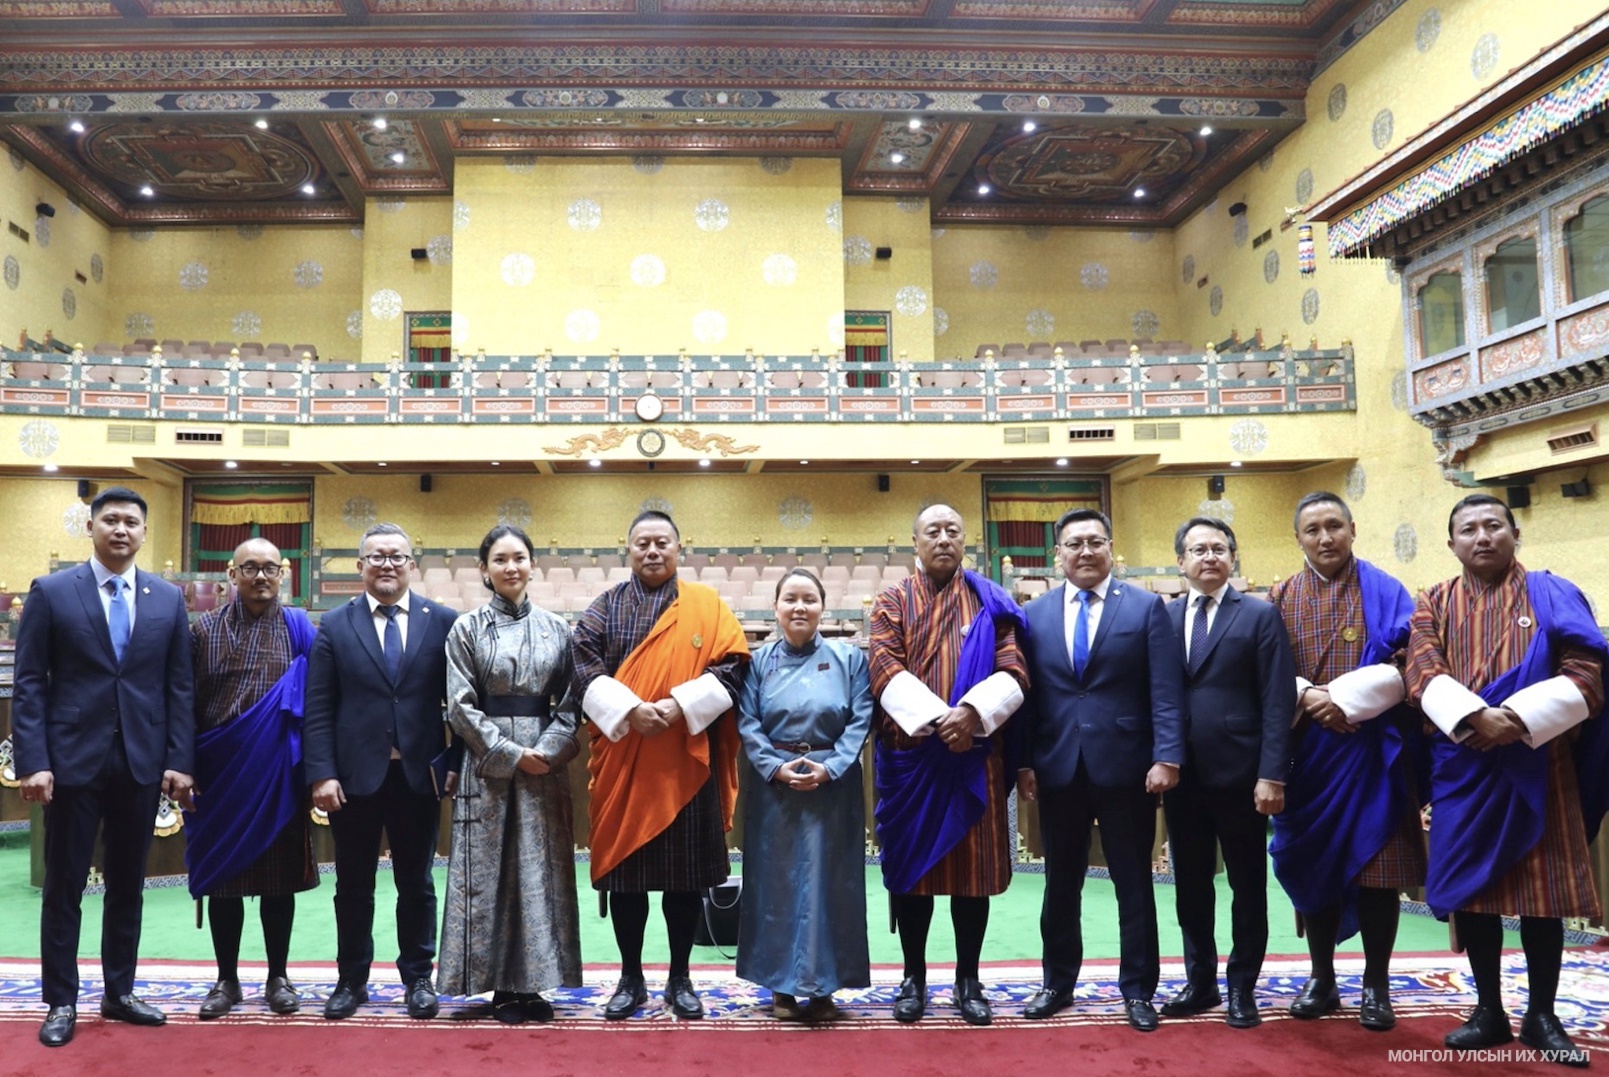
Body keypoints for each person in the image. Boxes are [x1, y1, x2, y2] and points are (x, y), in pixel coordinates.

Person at [1404, 494, 1603, 1066]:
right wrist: (1475, 719)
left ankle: (1543, 1015)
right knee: (1475, 893)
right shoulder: (1434, 601)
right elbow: (1421, 669)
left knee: (1544, 897)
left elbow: (1588, 671)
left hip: (1539, 764)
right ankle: (1488, 1010)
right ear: (1452, 545)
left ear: (1517, 534)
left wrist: (1515, 719)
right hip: (1464, 767)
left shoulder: (1552, 593)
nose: (1482, 536)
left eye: (1494, 525)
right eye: (1468, 529)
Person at [13, 486, 195, 1048]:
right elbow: (29, 683)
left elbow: (179, 687)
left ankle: (119, 991)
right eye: (110, 520)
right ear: (91, 528)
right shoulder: (52, 591)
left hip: (140, 760)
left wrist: (179, 759)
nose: (121, 529)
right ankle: (61, 1000)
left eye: (131, 522)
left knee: (127, 884)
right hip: (71, 761)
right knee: (65, 884)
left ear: (144, 532)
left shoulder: (167, 599)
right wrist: (34, 761)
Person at [571, 510, 750, 1020]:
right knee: (626, 882)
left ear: (679, 549)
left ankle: (680, 977)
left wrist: (679, 705)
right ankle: (630, 977)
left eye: (662, 543)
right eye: (642, 543)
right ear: (627, 550)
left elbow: (734, 666)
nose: (652, 551)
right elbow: (581, 667)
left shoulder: (706, 607)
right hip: (624, 763)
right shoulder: (605, 608)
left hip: (685, 764)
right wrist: (630, 710)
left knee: (685, 881)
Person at [1016, 508, 1183, 1032]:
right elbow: (1029, 697)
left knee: (1133, 885)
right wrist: (1024, 761)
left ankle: (1138, 990)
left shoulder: (1145, 607)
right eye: (1074, 543)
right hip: (1058, 767)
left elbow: (1164, 689)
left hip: (1128, 768)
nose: (1085, 551)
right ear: (1058, 555)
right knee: (1060, 886)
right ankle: (1056, 983)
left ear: (1111, 548)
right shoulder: (1034, 614)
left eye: (1095, 541)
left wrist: (1166, 755)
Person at [1266, 493, 1422, 1032]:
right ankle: (1322, 977)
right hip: (1307, 758)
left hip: (1373, 754)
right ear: (1298, 538)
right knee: (1314, 866)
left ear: (1353, 529)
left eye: (1334, 526)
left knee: (1379, 872)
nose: (1325, 537)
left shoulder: (1387, 591)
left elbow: (1412, 660)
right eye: (1312, 529)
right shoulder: (1279, 597)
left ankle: (1376, 984)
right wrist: (1311, 698)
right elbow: (1262, 668)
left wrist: (1348, 701)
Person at [870, 503, 1028, 1027]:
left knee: (971, 878)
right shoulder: (893, 600)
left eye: (953, 531)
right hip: (913, 758)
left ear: (966, 541)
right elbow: (883, 667)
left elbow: (1014, 669)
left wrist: (972, 714)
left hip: (972, 757)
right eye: (932, 531)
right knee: (913, 873)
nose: (943, 539)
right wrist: (941, 721)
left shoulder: (991, 600)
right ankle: (913, 977)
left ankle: (968, 979)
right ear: (915, 543)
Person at [304, 522, 459, 1021]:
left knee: (417, 882)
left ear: (412, 565)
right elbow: (319, 705)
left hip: (419, 777)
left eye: (396, 556)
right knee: (353, 884)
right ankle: (351, 980)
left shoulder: (443, 622)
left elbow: (461, 703)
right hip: (353, 780)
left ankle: (418, 977)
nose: (387, 564)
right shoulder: (335, 624)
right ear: (360, 566)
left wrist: (455, 763)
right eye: (376, 557)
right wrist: (322, 773)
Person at [438, 525, 583, 1024]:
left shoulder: (557, 629)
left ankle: (532, 985)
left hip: (544, 765)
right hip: (487, 766)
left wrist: (548, 751)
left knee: (538, 872)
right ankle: (498, 986)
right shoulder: (466, 629)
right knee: (490, 874)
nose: (511, 567)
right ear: (484, 569)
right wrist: (509, 753)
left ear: (533, 564)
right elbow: (459, 705)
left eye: (519, 557)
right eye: (500, 559)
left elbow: (572, 702)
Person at [1161, 516, 1294, 1030]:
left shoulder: (1259, 615)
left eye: (1218, 548)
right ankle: (1200, 982)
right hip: (1183, 776)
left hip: (1243, 776)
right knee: (1191, 886)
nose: (1209, 557)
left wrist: (1272, 774)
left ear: (1232, 558)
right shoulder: (1165, 616)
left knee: (1247, 886)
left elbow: (1277, 701)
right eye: (1198, 549)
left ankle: (1242, 987)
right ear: (1181, 562)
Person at [186, 537, 319, 1020]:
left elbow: (318, 704)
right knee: (223, 880)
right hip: (219, 773)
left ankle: (278, 976)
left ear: (283, 574)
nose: (260, 576)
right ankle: (226, 978)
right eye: (250, 568)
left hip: (278, 774)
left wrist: (315, 771)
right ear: (231, 573)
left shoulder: (300, 628)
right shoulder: (203, 631)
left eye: (269, 568)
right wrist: (183, 765)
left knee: (277, 882)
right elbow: (183, 704)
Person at [735, 568, 873, 1023]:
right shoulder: (758, 662)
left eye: (809, 599)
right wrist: (774, 767)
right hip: (775, 787)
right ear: (775, 608)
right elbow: (747, 720)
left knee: (830, 884)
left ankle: (825, 985)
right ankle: (780, 986)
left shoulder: (849, 659)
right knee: (776, 884)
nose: (799, 607)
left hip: (833, 785)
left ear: (822, 608)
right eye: (790, 599)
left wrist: (831, 768)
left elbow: (861, 717)